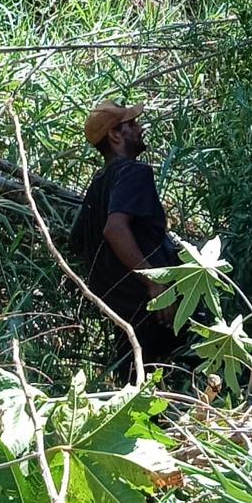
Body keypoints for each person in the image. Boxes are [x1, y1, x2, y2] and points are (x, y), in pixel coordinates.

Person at [67, 102, 182, 374]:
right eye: (132, 124)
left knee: (135, 385)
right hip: (152, 309)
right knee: (178, 380)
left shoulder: (98, 184)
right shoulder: (133, 172)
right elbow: (115, 229)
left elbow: (76, 242)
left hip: (120, 310)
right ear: (115, 135)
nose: (140, 128)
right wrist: (153, 282)